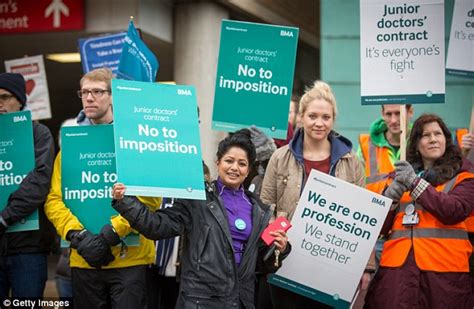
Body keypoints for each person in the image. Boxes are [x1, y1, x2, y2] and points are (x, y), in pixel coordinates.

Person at [112, 130, 290, 309]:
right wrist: (125, 201)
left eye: (242, 163)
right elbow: (157, 226)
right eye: (229, 161)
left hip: (240, 302)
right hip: (200, 301)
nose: (235, 168)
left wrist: (279, 250)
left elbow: (260, 264)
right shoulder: (197, 199)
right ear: (217, 162)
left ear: (248, 169)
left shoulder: (259, 210)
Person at [44, 68, 161, 309]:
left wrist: (112, 233)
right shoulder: (71, 148)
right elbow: (54, 200)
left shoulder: (135, 142)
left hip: (130, 259)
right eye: (84, 92)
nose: (89, 98)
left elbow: (149, 198)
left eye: (97, 91)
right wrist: (78, 236)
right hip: (84, 260)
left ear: (113, 96)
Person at [260, 80, 370, 308]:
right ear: (300, 117)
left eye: (326, 117)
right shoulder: (280, 157)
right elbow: (264, 208)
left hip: (333, 266)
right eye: (312, 116)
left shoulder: (352, 163)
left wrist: (364, 266)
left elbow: (364, 219)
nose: (319, 123)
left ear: (333, 119)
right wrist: (274, 246)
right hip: (286, 263)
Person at [364, 114, 474, 309]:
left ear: (446, 140)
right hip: (397, 274)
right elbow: (379, 227)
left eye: (437, 134)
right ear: (415, 143)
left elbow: (453, 210)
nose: (432, 139)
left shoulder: (464, 175)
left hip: (444, 275)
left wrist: (415, 183)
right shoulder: (400, 175)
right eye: (425, 135)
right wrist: (389, 199)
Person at [0, 73, 56, 301]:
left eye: (4, 97)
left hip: (28, 248)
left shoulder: (39, 134)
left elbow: (40, 181)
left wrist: (4, 218)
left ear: (20, 101)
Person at [357, 104, 414, 268]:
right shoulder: (366, 145)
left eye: (399, 113)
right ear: (382, 113)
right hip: (377, 234)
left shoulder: (421, 141)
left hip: (410, 233)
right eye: (389, 114)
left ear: (410, 112)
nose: (394, 120)